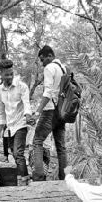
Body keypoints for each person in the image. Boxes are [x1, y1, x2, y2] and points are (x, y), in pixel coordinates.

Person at [0, 59, 34, 185]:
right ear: (1, 75)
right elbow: (1, 114)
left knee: (18, 152)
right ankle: (25, 176)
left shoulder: (22, 87)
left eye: (11, 73)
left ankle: (25, 179)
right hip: (10, 127)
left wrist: (28, 116)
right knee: (14, 152)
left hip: (21, 123)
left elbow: (27, 104)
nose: (10, 76)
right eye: (7, 74)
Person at [31, 45, 67, 181]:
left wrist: (37, 112)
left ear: (50, 56)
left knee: (38, 140)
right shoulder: (63, 68)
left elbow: (48, 92)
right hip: (62, 111)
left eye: (42, 59)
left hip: (50, 110)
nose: (42, 63)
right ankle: (63, 179)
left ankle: (39, 177)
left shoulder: (50, 68)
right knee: (61, 146)